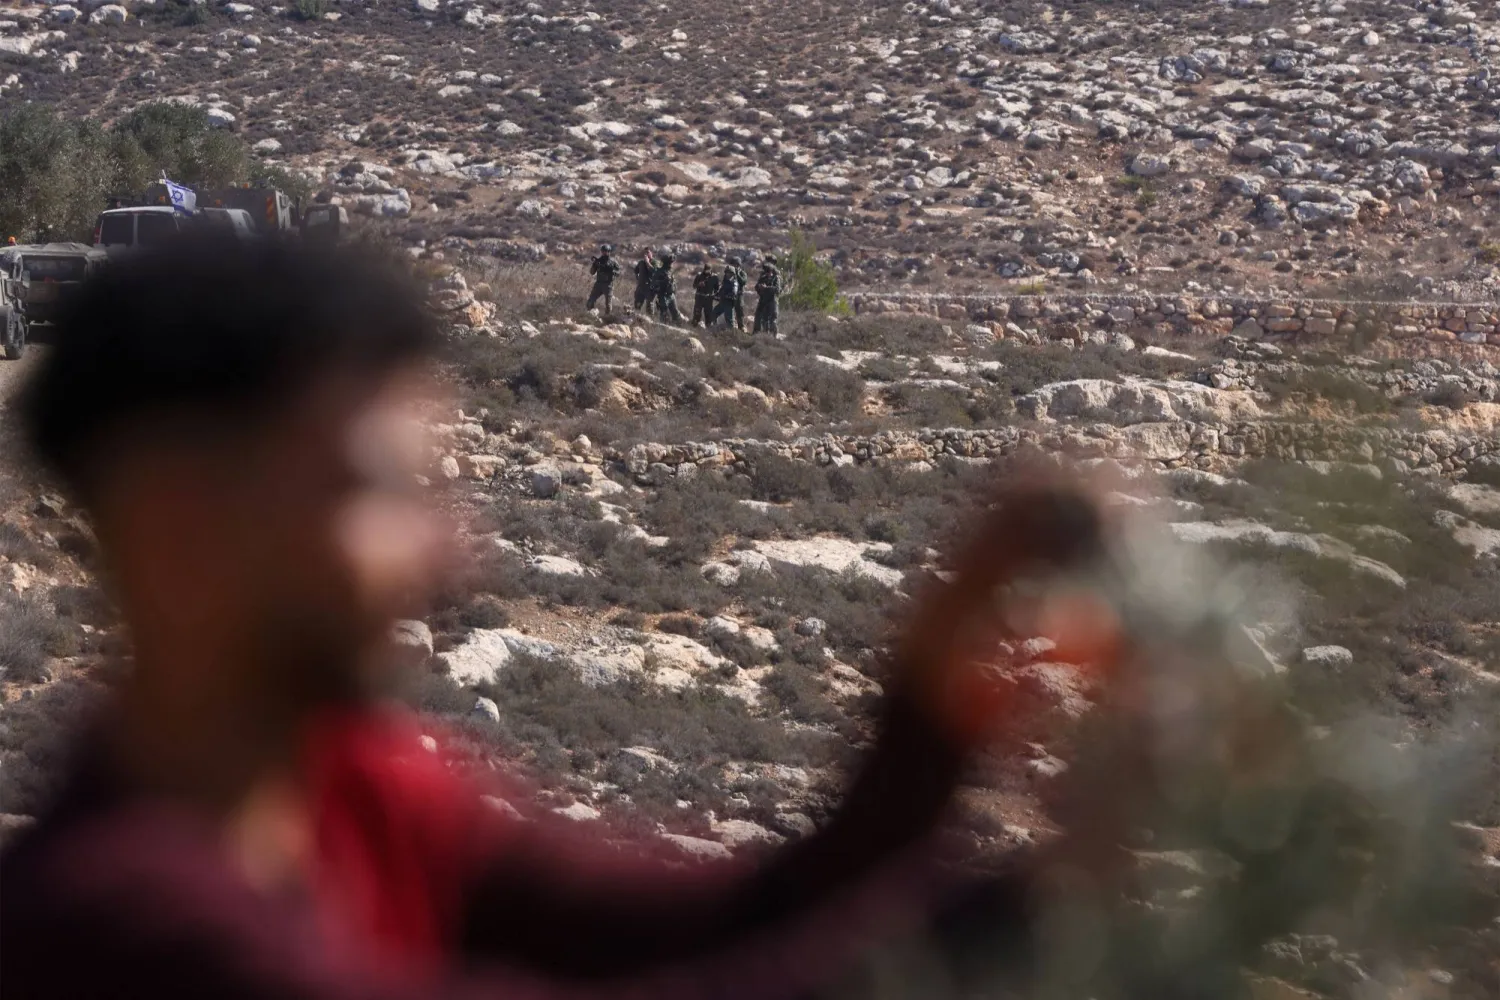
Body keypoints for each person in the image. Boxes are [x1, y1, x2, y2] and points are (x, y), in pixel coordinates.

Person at [0, 233, 1114, 1000]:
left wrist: (934, 677)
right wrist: (1034, 900)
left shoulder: (362, 790)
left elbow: (732, 917)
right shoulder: (119, 921)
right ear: (178, 528)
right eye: (382, 489)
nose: (457, 553)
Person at [586, 244, 621, 316]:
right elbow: (592, 272)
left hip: (608, 285)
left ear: (609, 252)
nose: (604, 253)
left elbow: (618, 272)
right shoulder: (598, 261)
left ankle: (607, 318)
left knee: (608, 305)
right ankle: (591, 315)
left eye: (606, 251)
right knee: (590, 302)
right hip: (598, 284)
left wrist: (612, 272)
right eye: (603, 251)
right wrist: (594, 264)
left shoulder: (613, 262)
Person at [715, 255, 748, 330]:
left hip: (739, 295)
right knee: (728, 312)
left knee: (739, 311)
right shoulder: (729, 273)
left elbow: (743, 282)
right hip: (729, 296)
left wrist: (737, 274)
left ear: (738, 265)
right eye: (732, 264)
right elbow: (724, 283)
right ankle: (729, 327)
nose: (733, 266)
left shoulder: (742, 273)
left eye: (735, 264)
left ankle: (741, 326)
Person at [753, 256, 782, 335]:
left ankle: (773, 336)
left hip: (773, 299)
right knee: (760, 316)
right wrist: (760, 289)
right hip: (764, 299)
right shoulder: (764, 274)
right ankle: (758, 333)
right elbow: (757, 285)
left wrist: (766, 288)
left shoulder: (776, 275)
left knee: (772, 318)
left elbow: (778, 290)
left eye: (769, 261)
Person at [652, 251, 683, 324]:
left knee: (675, 312)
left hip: (671, 295)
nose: (672, 264)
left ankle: (678, 327)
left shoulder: (670, 271)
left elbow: (673, 283)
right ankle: (663, 330)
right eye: (671, 263)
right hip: (663, 296)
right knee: (664, 314)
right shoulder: (659, 272)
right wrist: (663, 281)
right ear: (667, 263)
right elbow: (653, 284)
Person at [691, 261, 720, 327]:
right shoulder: (699, 276)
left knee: (708, 316)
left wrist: (715, 296)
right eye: (705, 270)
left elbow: (717, 288)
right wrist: (699, 284)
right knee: (697, 314)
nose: (706, 271)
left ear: (710, 270)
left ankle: (708, 330)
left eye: (708, 270)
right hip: (699, 298)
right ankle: (694, 327)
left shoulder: (714, 278)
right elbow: (694, 286)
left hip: (708, 299)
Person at [632, 248, 655, 314]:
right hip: (640, 287)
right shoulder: (641, 262)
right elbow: (636, 270)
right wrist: (637, 278)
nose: (646, 254)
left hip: (649, 288)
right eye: (645, 253)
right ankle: (636, 318)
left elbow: (654, 271)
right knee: (637, 304)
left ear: (651, 254)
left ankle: (650, 321)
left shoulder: (654, 262)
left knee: (649, 306)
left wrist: (647, 262)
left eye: (648, 252)